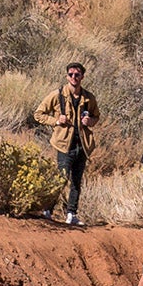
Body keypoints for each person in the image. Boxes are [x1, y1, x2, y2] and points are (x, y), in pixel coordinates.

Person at [34, 61, 98, 225]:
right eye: (71, 74)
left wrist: (90, 121)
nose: (74, 77)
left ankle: (72, 214)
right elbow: (38, 114)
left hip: (82, 144)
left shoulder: (89, 97)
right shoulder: (57, 95)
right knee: (61, 178)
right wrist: (56, 121)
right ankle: (48, 210)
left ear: (82, 76)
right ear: (66, 76)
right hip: (64, 144)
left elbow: (96, 117)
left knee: (77, 181)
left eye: (77, 75)